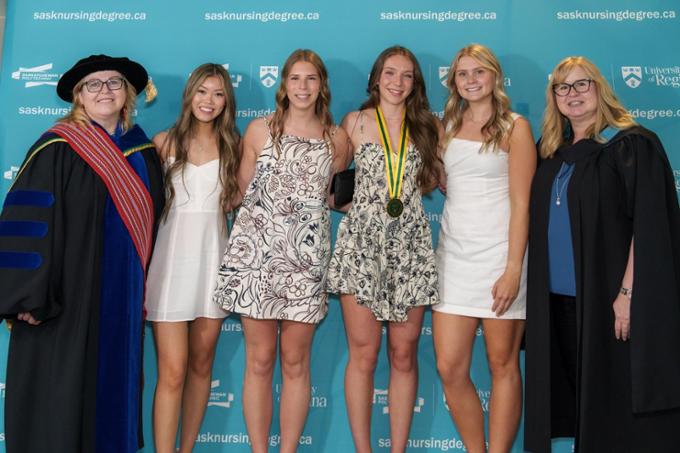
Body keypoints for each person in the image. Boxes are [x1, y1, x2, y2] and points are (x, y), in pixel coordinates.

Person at [0, 54, 164, 453]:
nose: (104, 91)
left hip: (120, 301)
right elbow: (28, 223)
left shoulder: (144, 154)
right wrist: (28, 296)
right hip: (62, 299)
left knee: (114, 390)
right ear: (79, 96)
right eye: (94, 84)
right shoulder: (56, 148)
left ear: (127, 94)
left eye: (114, 83)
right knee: (59, 399)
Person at [524, 56, 680, 453]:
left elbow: (647, 226)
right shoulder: (552, 152)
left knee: (617, 405)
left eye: (582, 85)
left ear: (599, 88)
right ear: (554, 97)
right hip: (559, 300)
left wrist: (628, 295)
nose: (572, 95)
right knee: (582, 400)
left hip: (609, 300)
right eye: (563, 87)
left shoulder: (630, 144)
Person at [213, 49, 351, 453]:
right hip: (256, 258)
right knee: (258, 362)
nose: (303, 87)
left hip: (305, 265)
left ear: (322, 85)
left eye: (311, 79)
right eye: (295, 79)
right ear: (284, 84)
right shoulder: (259, 130)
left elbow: (332, 198)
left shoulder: (337, 139)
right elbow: (237, 192)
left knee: (295, 363)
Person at [326, 45, 441, 453]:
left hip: (410, 248)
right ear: (376, 78)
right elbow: (332, 190)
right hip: (361, 247)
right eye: (390, 73)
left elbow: (444, 181)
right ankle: (363, 449)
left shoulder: (427, 126)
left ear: (416, 83)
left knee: (404, 353)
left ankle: (397, 450)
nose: (397, 82)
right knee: (364, 355)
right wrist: (365, 211)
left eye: (407, 75)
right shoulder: (354, 123)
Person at [432, 44, 536, 453]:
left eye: (479, 72)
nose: (471, 80)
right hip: (453, 259)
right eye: (463, 74)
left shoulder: (516, 127)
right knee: (449, 366)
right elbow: (442, 178)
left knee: (502, 364)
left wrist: (512, 269)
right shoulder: (446, 127)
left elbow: (522, 203)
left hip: (500, 259)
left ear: (495, 77)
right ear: (454, 81)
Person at [146, 63, 239, 453]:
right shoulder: (163, 143)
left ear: (226, 101)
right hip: (169, 266)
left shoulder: (234, 147)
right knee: (172, 371)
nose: (209, 101)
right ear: (190, 95)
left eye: (218, 94)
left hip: (213, 266)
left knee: (202, 367)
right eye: (203, 91)